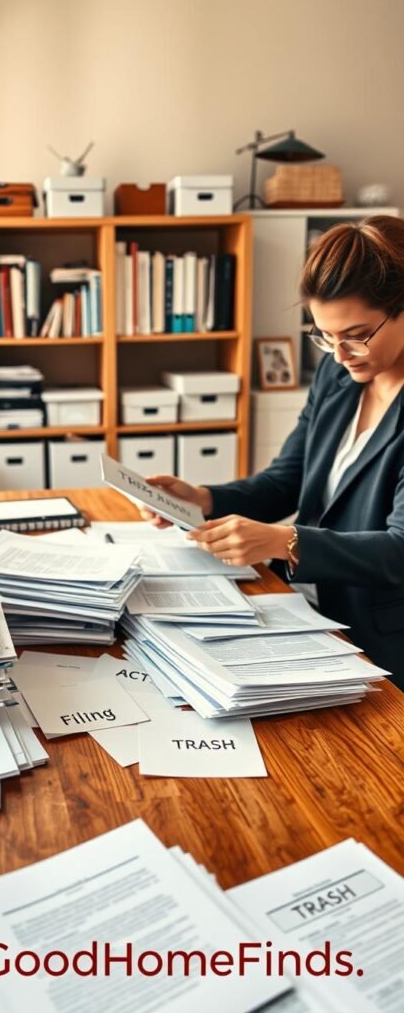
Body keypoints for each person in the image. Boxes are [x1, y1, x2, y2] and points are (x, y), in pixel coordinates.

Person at [144, 215, 404, 685]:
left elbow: (399, 549)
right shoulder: (337, 377)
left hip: (382, 641)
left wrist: (284, 541)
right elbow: (286, 479)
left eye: (356, 334)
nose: (340, 353)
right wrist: (202, 498)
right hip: (308, 613)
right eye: (325, 336)